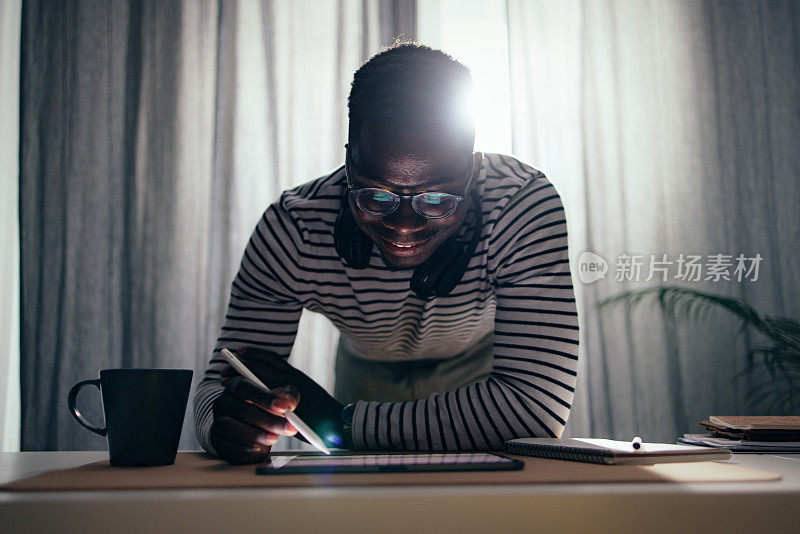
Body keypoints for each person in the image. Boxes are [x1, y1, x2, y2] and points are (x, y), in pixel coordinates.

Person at [194, 43, 579, 465]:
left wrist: (340, 424)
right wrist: (226, 423)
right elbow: (225, 378)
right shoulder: (295, 228)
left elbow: (532, 409)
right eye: (376, 194)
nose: (404, 226)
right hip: (366, 373)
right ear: (348, 163)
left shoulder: (520, 204)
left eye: (437, 198)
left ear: (471, 172)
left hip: (479, 375)